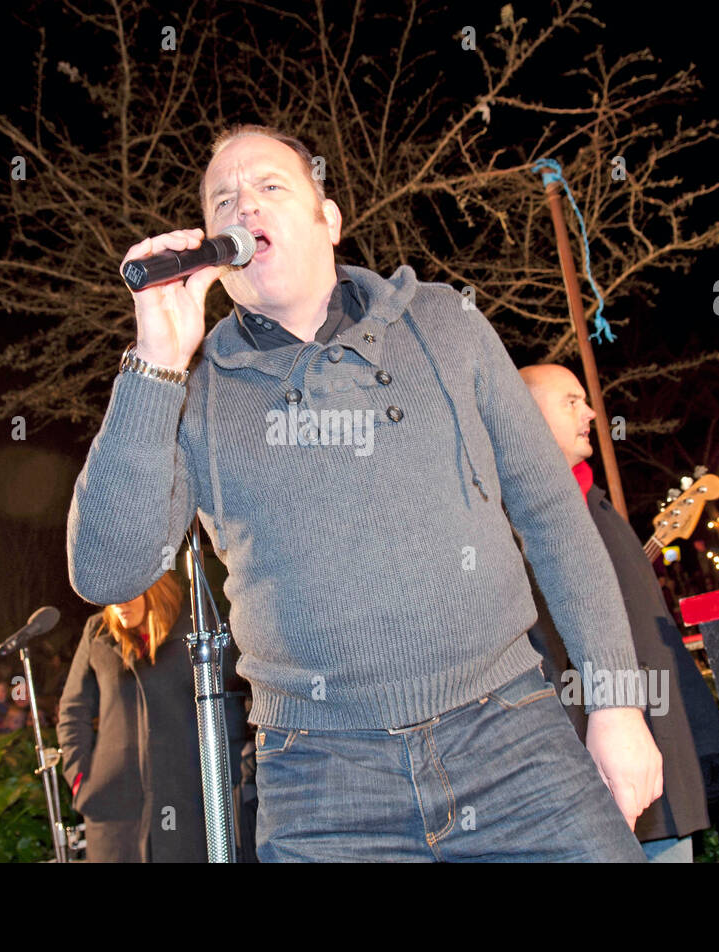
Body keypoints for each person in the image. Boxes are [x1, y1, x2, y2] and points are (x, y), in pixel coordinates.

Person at [67, 124, 661, 861]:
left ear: (329, 219)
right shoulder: (195, 393)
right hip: (321, 784)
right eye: (224, 201)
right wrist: (154, 362)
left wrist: (617, 704)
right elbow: (105, 571)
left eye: (270, 187)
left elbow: (552, 515)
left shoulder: (445, 321)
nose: (243, 207)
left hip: (514, 740)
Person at [521, 363, 719, 863]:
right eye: (570, 400)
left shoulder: (596, 506)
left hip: (651, 767)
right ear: (522, 413)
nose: (591, 411)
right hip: (571, 774)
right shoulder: (506, 516)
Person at [58, 572, 240, 862]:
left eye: (127, 592)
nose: (118, 604)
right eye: (110, 596)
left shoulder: (196, 629)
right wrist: (81, 779)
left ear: (152, 583)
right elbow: (72, 711)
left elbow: (230, 707)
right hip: (114, 812)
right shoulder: (98, 632)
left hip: (186, 804)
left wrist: (227, 777)